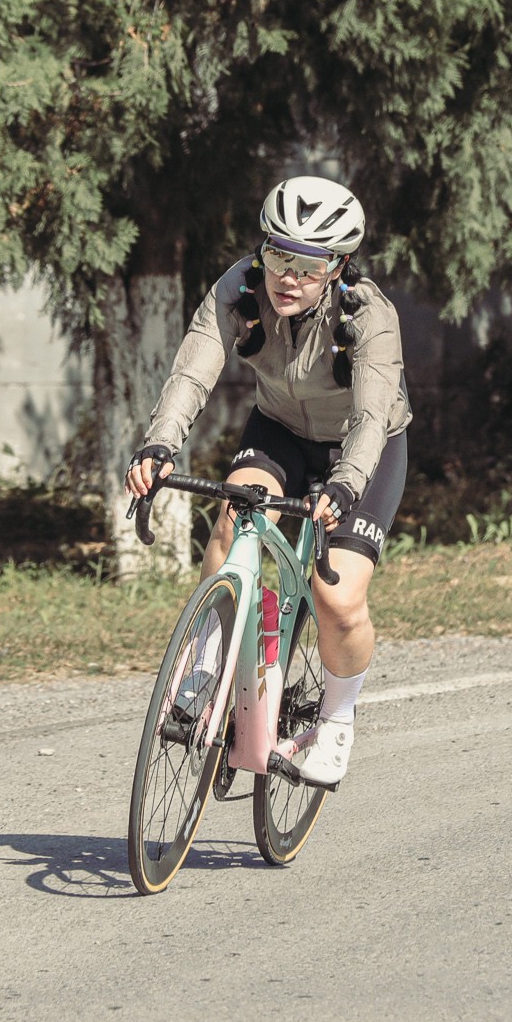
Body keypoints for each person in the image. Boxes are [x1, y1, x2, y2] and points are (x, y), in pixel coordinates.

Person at [125, 176, 411, 788]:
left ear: (338, 267)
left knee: (337, 599)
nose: (289, 278)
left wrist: (344, 485)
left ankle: (336, 720)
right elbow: (192, 371)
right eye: (280, 256)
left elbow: (370, 417)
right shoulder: (238, 290)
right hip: (279, 428)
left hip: (364, 448)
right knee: (232, 527)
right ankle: (208, 662)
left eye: (309, 267)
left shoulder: (370, 316)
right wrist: (159, 444)